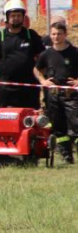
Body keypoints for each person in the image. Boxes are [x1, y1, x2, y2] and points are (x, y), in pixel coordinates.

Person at [0, 0, 45, 110]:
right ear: (7, 17)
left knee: (29, 117)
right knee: (5, 117)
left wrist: (40, 77)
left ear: (23, 17)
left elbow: (42, 58)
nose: (16, 18)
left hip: (29, 87)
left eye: (19, 15)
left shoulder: (31, 35)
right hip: (5, 88)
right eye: (13, 16)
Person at [34, 22, 78, 163]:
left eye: (59, 34)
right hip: (53, 95)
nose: (56, 37)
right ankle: (66, 156)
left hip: (72, 95)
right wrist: (43, 81)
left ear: (65, 34)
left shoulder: (74, 52)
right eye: (53, 34)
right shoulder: (46, 54)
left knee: (76, 125)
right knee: (58, 127)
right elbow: (37, 69)